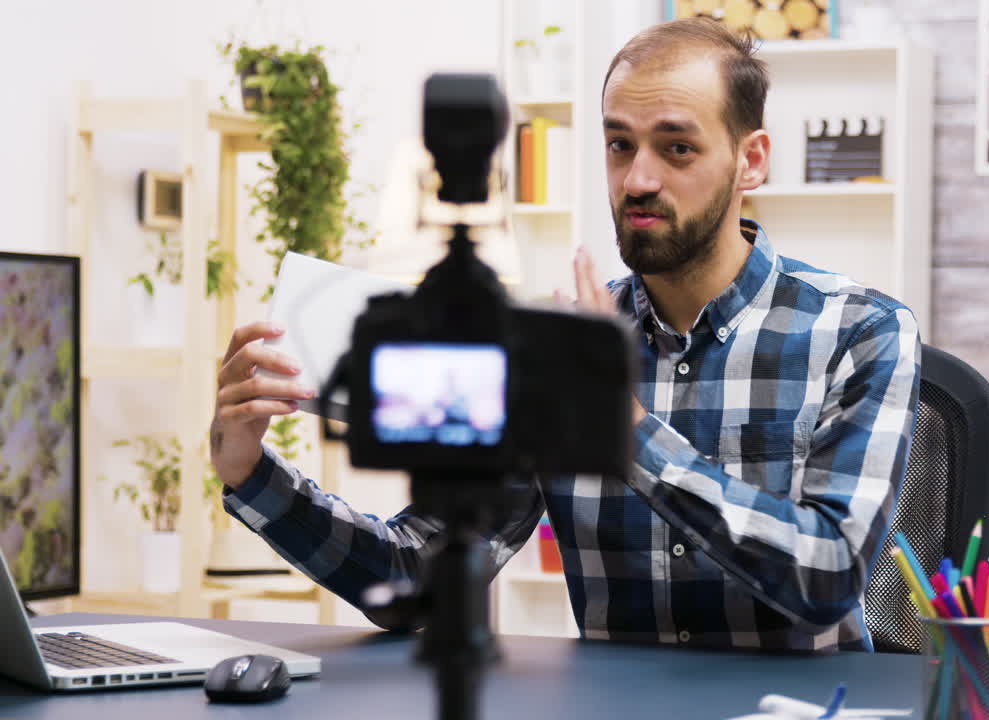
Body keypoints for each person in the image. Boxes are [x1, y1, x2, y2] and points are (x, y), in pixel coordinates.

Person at [211, 18, 920, 653]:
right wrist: (253, 473)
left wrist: (624, 427)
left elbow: (829, 575)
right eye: (620, 145)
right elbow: (417, 577)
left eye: (677, 148)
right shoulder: (557, 348)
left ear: (751, 160)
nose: (638, 178)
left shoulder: (860, 331)